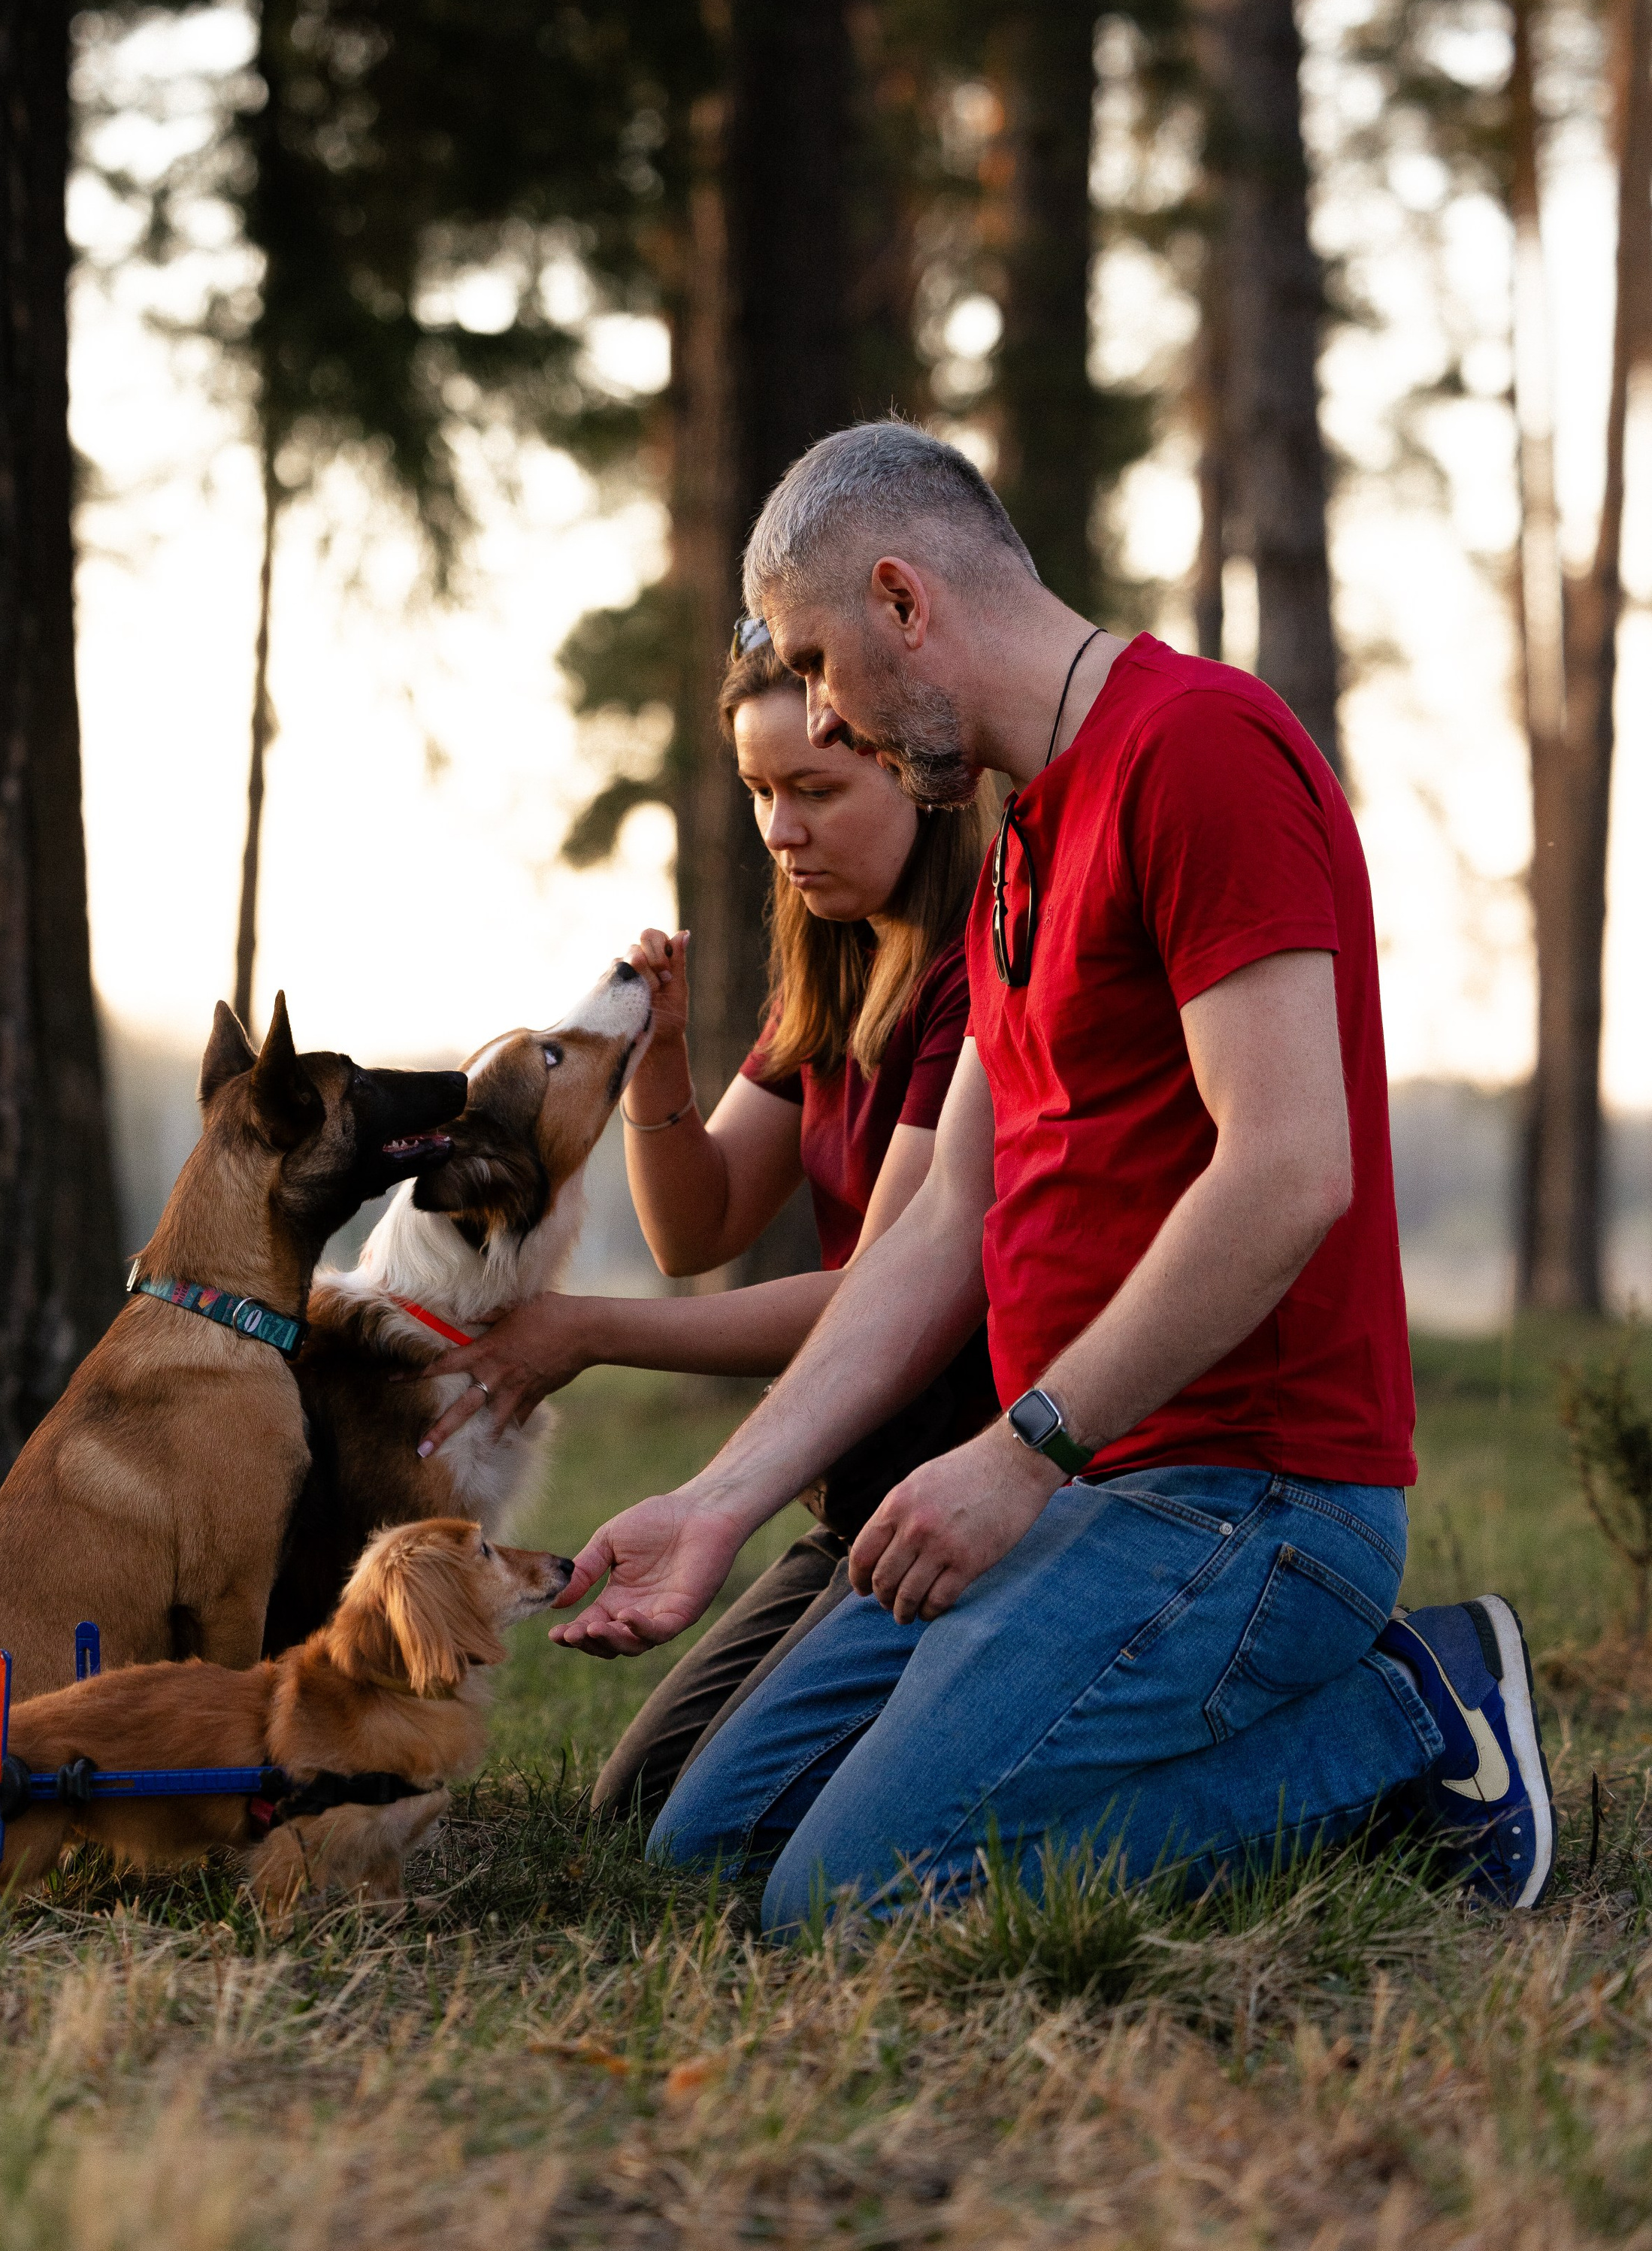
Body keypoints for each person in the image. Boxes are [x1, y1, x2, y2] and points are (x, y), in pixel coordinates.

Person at [547, 420, 1555, 1931]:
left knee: (841, 1901)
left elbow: (1286, 1170)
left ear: (901, 601)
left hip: (1249, 1493)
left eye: (820, 664)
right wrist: (716, 1500)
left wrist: (1019, 1447)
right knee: (703, 1850)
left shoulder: (1198, 751)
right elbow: (948, 1218)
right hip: (1085, 1488)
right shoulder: (1022, 830)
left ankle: (1414, 1719)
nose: (827, 715)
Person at [418, 624, 998, 1820]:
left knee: (727, 1826)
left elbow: (880, 1286)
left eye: (816, 789)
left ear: (919, 776)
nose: (781, 830)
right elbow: (702, 1221)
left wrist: (583, 1328)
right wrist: (655, 1061)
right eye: (761, 792)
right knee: (638, 1807)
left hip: (963, 1491)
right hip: (850, 1500)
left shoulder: (971, 976)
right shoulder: (833, 967)